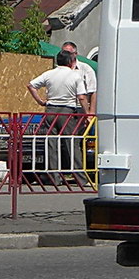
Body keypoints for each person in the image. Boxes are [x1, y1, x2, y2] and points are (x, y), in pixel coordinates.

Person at [27, 51, 90, 184]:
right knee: (71, 143)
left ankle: (53, 178)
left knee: (51, 144)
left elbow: (31, 85)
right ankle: (80, 178)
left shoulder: (49, 74)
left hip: (50, 110)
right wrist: (87, 114)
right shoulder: (75, 76)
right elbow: (82, 97)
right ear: (70, 62)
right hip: (67, 111)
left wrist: (40, 101)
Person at [61, 41, 97, 115]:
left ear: (75, 54)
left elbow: (93, 91)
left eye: (69, 53)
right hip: (62, 108)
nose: (66, 56)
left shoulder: (86, 69)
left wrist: (91, 113)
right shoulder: (58, 70)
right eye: (64, 53)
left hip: (80, 108)